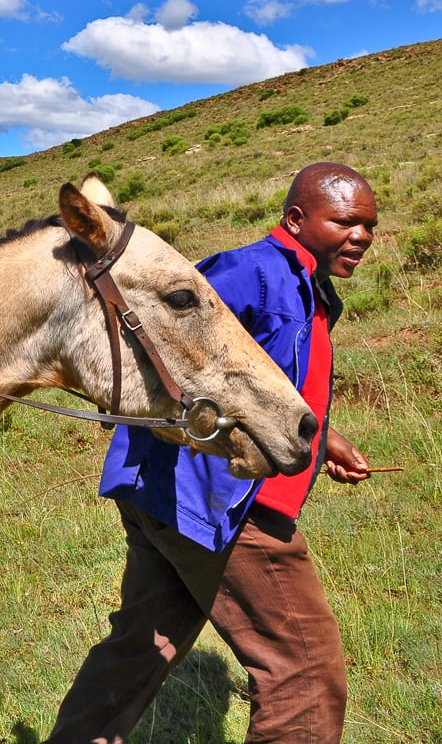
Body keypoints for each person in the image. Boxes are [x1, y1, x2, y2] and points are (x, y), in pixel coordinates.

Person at [46, 162, 378, 744]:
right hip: (224, 502)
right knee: (302, 670)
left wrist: (322, 439)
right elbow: (165, 354)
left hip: (171, 499)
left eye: (370, 226)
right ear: (296, 219)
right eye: (346, 222)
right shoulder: (251, 273)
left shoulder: (306, 286)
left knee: (141, 647)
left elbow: (254, 386)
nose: (362, 236)